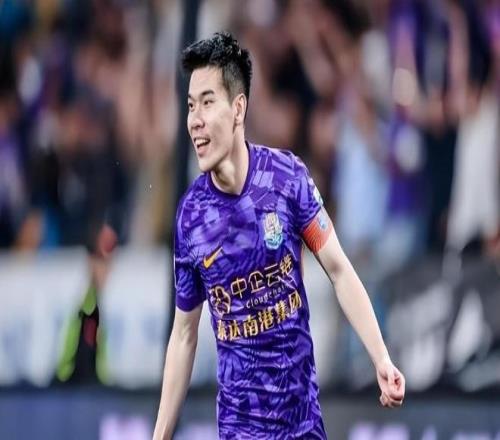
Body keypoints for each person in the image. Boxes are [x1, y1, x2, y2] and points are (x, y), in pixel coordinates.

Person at [153, 32, 405, 440]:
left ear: (238, 108)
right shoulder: (191, 217)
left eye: (207, 102)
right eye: (190, 105)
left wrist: (381, 358)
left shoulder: (287, 179)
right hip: (240, 429)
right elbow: (183, 335)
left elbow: (339, 270)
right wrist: (160, 435)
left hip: (303, 425)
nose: (194, 120)